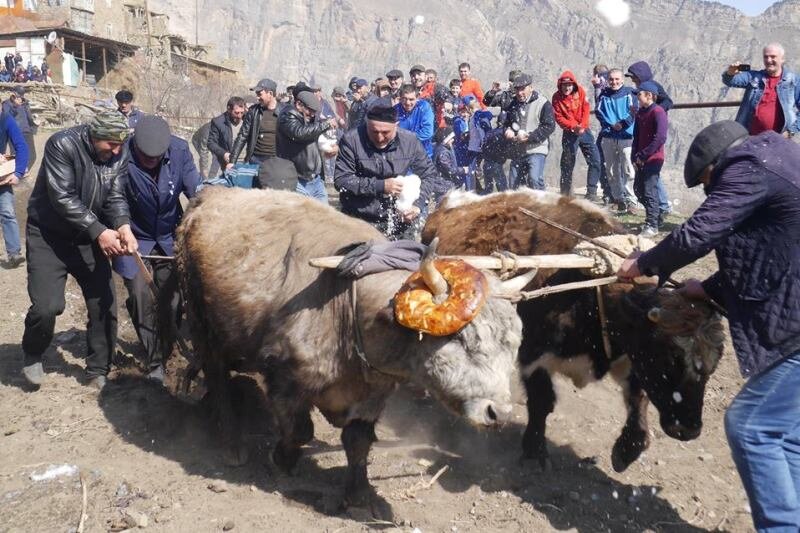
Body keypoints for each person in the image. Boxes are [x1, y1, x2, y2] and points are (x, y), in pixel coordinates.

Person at [617, 120, 800, 533]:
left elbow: (701, 231)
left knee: (750, 427)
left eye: (705, 183)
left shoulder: (747, 165)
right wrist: (711, 286)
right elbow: (774, 250)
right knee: (784, 435)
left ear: (714, 167)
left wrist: (644, 264)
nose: (708, 191)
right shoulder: (779, 156)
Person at [22, 111, 137, 390]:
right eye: (111, 144)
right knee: (48, 307)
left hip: (87, 236)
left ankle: (98, 367)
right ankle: (32, 352)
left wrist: (123, 226)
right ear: (93, 135)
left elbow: (115, 195)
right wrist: (100, 231)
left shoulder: (118, 153)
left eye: (121, 145)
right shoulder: (62, 144)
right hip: (49, 236)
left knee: (104, 302)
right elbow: (62, 197)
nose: (117, 151)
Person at [113, 116, 200, 383]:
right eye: (145, 156)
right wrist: (123, 226)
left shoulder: (179, 150)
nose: (151, 160)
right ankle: (154, 360)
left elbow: (195, 189)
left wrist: (203, 211)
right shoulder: (120, 157)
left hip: (167, 236)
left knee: (171, 300)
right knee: (140, 296)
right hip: (132, 235)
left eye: (156, 157)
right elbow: (114, 198)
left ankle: (166, 345)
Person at [334, 98, 444, 238]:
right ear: (366, 124)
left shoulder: (409, 141)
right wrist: (380, 186)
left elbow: (428, 174)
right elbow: (342, 180)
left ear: (396, 126)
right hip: (359, 221)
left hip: (398, 220)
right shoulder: (352, 140)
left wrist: (417, 204)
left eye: (385, 132)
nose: (379, 138)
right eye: (374, 132)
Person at [625, 60, 673, 215]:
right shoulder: (641, 92)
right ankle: (658, 208)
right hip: (645, 133)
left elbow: (668, 101)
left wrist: (654, 111)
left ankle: (662, 207)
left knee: (651, 175)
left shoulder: (652, 88)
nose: (633, 80)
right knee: (648, 177)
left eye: (634, 77)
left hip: (653, 134)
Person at [723, 42, 800, 137]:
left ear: (782, 59)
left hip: (779, 141)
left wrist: (791, 131)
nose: (769, 60)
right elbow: (730, 81)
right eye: (766, 57)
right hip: (750, 138)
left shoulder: (793, 81)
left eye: (773, 57)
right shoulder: (754, 77)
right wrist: (730, 73)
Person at [276, 90, 337, 203]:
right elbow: (300, 133)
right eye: (310, 110)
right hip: (296, 179)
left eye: (314, 112)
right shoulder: (287, 115)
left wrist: (329, 148)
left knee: (323, 216)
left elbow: (314, 137)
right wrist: (326, 124)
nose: (312, 114)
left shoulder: (309, 118)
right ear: (299, 104)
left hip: (315, 179)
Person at [551, 70, 602, 198]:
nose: (567, 87)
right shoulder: (556, 98)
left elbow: (586, 109)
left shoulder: (580, 92)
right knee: (567, 164)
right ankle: (566, 194)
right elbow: (558, 117)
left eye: (569, 85)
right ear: (560, 85)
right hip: (569, 132)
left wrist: (583, 126)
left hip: (584, 131)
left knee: (595, 159)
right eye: (564, 85)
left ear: (573, 85)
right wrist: (573, 126)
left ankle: (591, 191)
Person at [503, 73, 555, 190]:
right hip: (518, 150)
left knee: (534, 179)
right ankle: (520, 207)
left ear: (531, 87)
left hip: (537, 148)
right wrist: (508, 130)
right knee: (514, 184)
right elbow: (506, 123)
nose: (520, 93)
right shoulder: (513, 105)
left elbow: (549, 126)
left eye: (523, 89)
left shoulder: (543, 103)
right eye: (517, 89)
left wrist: (529, 137)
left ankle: (543, 205)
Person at [596, 68, 637, 211]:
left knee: (628, 169)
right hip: (608, 136)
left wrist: (622, 124)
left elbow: (633, 113)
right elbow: (599, 112)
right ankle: (618, 199)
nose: (614, 82)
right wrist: (610, 125)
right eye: (611, 79)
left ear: (622, 80)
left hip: (626, 137)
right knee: (611, 170)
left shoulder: (630, 94)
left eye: (617, 79)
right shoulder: (604, 95)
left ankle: (631, 200)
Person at [631, 81, 668, 237]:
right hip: (641, 158)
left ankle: (652, 225)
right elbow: (637, 136)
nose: (638, 98)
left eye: (639, 94)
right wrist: (635, 155)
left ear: (649, 95)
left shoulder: (658, 112)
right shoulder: (641, 113)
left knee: (649, 190)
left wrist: (644, 155)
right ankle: (656, 215)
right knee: (638, 190)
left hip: (653, 159)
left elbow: (660, 137)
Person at [229, 78, 282, 178]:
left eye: (259, 94)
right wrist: (232, 161)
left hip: (276, 162)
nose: (257, 98)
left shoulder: (284, 112)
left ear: (270, 93)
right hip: (255, 161)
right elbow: (242, 136)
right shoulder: (254, 111)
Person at [0, 106, 29, 268]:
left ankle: (14, 253)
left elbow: (21, 145)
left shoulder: (5, 119)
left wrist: (17, 173)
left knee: (7, 212)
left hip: (1, 175)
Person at [395, 84, 435, 157]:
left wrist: (406, 139)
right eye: (404, 99)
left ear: (417, 98)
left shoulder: (424, 107)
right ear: (400, 98)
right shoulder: (395, 110)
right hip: (402, 155)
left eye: (411, 99)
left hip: (423, 154)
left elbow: (428, 132)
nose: (407, 103)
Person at [3, 87, 38, 171]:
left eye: (21, 95)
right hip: (15, 133)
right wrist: (15, 105)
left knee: (32, 156)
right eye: (18, 95)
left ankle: (23, 171)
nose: (20, 97)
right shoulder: (6, 104)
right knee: (16, 156)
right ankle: (16, 174)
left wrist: (35, 124)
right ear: (13, 94)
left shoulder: (25, 103)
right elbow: (6, 117)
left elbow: (29, 117)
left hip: (27, 132)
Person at [208, 96, 246, 171]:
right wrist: (224, 153)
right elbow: (211, 143)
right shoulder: (218, 122)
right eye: (236, 113)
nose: (239, 116)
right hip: (229, 162)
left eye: (242, 112)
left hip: (247, 161)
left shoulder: (249, 119)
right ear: (229, 109)